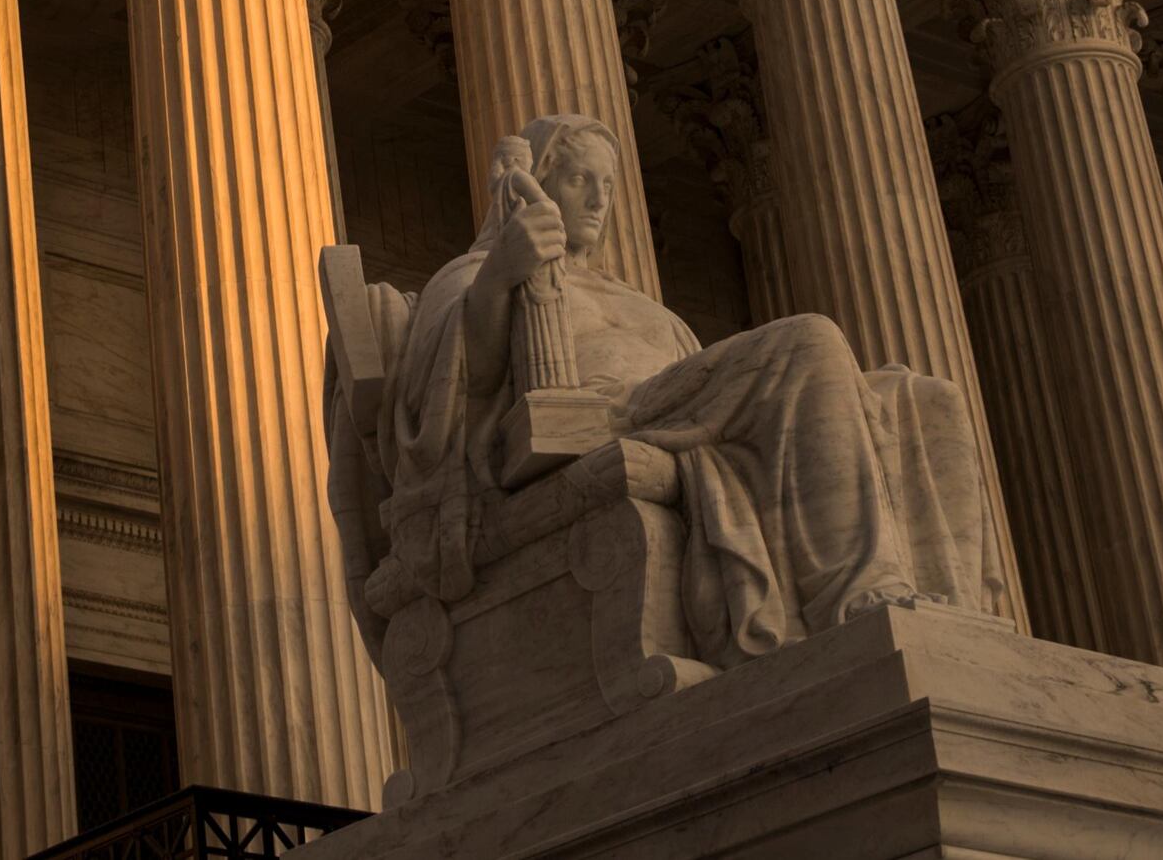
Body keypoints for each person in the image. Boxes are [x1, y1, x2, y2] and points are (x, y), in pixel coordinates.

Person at [372, 115, 1002, 664]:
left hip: (686, 411)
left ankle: (951, 613)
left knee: (926, 400)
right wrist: (504, 274)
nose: (597, 200)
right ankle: (860, 590)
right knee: (810, 341)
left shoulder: (640, 304)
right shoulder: (472, 275)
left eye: (608, 184)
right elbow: (452, 395)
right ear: (537, 181)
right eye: (576, 180)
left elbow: (711, 378)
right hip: (608, 417)